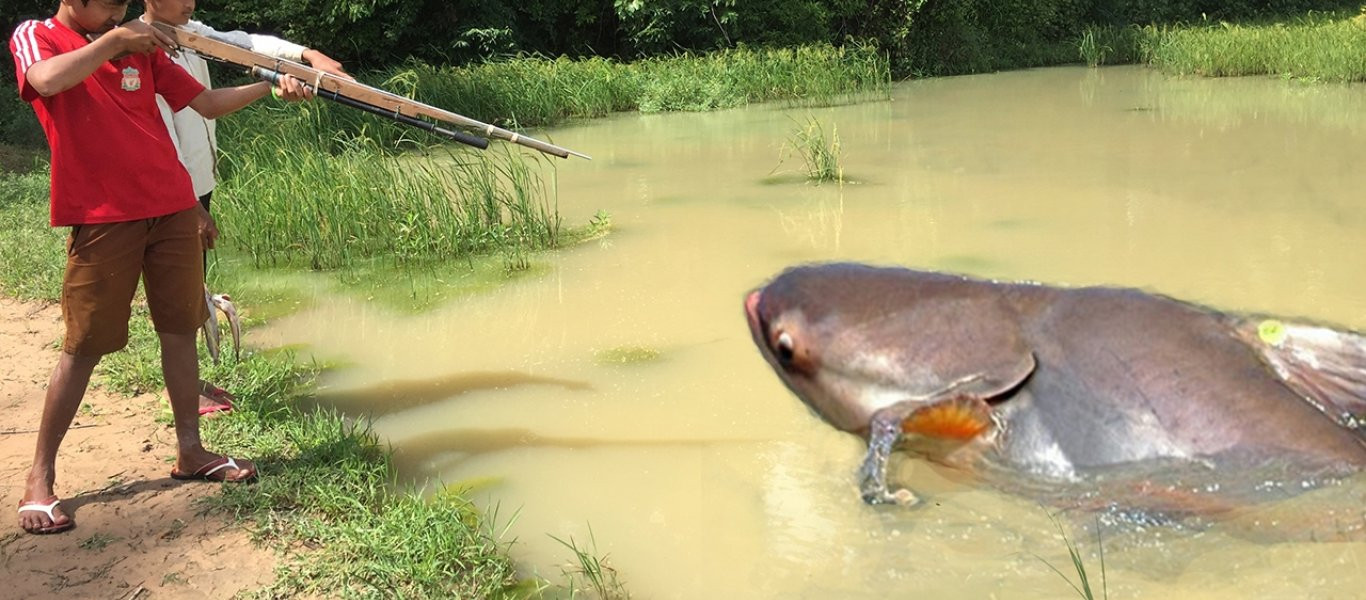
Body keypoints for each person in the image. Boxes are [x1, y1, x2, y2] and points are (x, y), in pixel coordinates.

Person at [9, 0, 312, 535]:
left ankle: (191, 452)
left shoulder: (139, 50)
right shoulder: (39, 35)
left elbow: (207, 103)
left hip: (173, 207)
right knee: (84, 346)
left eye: (121, 5)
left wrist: (274, 83)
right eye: (106, 3)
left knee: (180, 328)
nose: (115, 11)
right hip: (104, 218)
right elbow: (47, 81)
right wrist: (117, 40)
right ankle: (40, 477)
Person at [138, 0, 351, 416]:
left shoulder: (192, 34)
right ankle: (182, 392)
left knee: (190, 283)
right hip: (171, 193)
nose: (189, 2)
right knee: (174, 296)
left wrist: (306, 55)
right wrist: (190, 207)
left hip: (196, 187)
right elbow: (156, 136)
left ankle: (191, 381)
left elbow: (248, 44)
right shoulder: (140, 47)